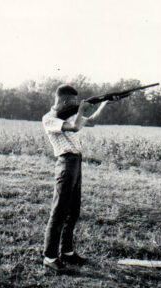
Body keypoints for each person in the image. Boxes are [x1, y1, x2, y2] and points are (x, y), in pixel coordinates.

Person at [42, 84, 112, 272]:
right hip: (65, 163)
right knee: (59, 212)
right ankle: (49, 257)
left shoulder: (71, 114)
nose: (75, 105)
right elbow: (73, 127)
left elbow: (92, 122)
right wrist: (80, 109)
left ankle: (67, 252)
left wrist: (104, 103)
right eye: (73, 102)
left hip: (76, 162)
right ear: (64, 101)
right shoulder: (49, 119)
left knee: (73, 211)